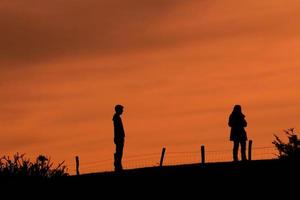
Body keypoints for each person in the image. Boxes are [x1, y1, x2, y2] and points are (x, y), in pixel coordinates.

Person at [113, 104, 125, 171]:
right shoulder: (116, 118)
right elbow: (116, 129)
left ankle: (118, 165)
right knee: (119, 152)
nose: (122, 111)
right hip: (119, 138)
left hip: (119, 137)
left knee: (119, 152)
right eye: (121, 110)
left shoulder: (117, 118)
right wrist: (117, 137)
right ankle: (117, 165)